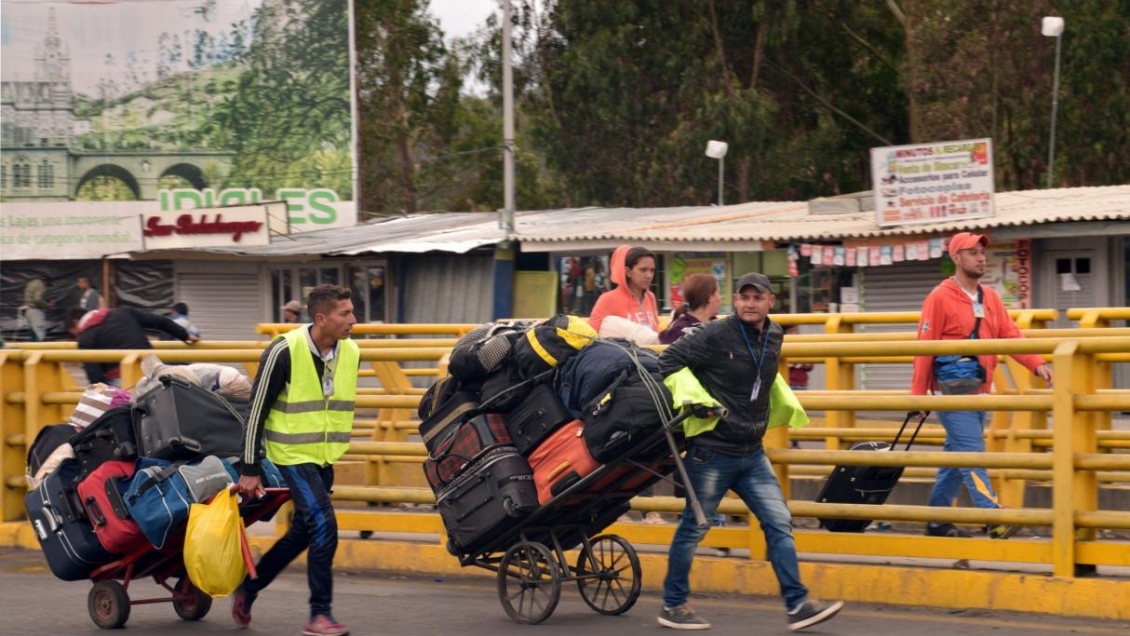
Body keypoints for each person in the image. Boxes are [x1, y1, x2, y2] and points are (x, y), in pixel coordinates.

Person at [657, 272, 843, 631]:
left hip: (752, 452)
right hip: (712, 451)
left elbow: (764, 378)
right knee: (694, 528)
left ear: (771, 302)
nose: (750, 303)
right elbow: (670, 361)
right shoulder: (715, 334)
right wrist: (697, 401)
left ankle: (798, 603)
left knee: (779, 523)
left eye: (757, 297)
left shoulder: (774, 335)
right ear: (734, 301)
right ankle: (673, 604)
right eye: (743, 297)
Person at [232, 284, 359, 636]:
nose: (354, 320)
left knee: (305, 532)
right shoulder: (284, 351)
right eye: (345, 313)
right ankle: (320, 614)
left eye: (352, 311)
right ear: (321, 318)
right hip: (290, 455)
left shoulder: (351, 351)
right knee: (324, 526)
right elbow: (255, 411)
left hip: (323, 456)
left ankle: (249, 587)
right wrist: (250, 468)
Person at [911, 232, 1053, 540]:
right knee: (973, 452)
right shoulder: (939, 297)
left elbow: (1010, 335)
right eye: (972, 252)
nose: (980, 257)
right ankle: (992, 517)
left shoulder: (990, 298)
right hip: (951, 391)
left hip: (980, 390)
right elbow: (924, 346)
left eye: (981, 252)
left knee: (957, 454)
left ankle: (935, 520)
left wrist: (1037, 363)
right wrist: (918, 397)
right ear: (957, 258)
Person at [67, 306, 200, 386]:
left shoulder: (85, 337)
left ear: (75, 323)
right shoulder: (123, 312)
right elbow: (159, 321)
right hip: (153, 370)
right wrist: (185, 336)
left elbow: (95, 377)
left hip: (122, 381)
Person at [588, 245, 659, 333]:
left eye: (652, 270)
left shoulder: (650, 297)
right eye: (643, 270)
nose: (649, 275)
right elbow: (591, 335)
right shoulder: (608, 300)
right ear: (628, 272)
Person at [660, 274, 721, 345]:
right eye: (719, 293)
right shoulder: (681, 331)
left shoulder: (716, 325)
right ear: (710, 297)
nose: (720, 298)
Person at [784, 325, 813, 449]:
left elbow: (810, 365)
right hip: (787, 384)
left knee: (798, 414)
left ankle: (795, 442)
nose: (794, 334)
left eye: (796, 331)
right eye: (791, 331)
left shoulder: (803, 345)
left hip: (800, 385)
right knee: (787, 414)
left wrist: (799, 362)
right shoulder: (782, 345)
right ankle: (787, 441)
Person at [20, 275, 54, 341]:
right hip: (35, 311)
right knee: (39, 330)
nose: (46, 287)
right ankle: (39, 349)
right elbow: (37, 300)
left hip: (28, 310)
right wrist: (48, 305)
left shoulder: (31, 284)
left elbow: (32, 298)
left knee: (33, 332)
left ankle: (33, 349)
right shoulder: (41, 285)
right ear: (46, 282)